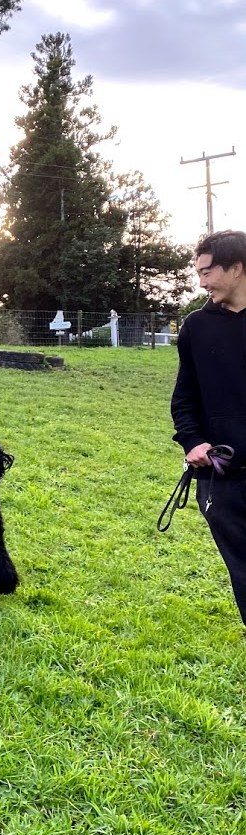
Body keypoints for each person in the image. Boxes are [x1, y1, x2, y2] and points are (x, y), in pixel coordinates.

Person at [171, 229, 246, 626]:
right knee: (244, 573)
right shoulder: (196, 327)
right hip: (223, 479)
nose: (201, 282)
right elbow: (184, 397)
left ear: (236, 268)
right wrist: (193, 440)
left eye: (206, 272)